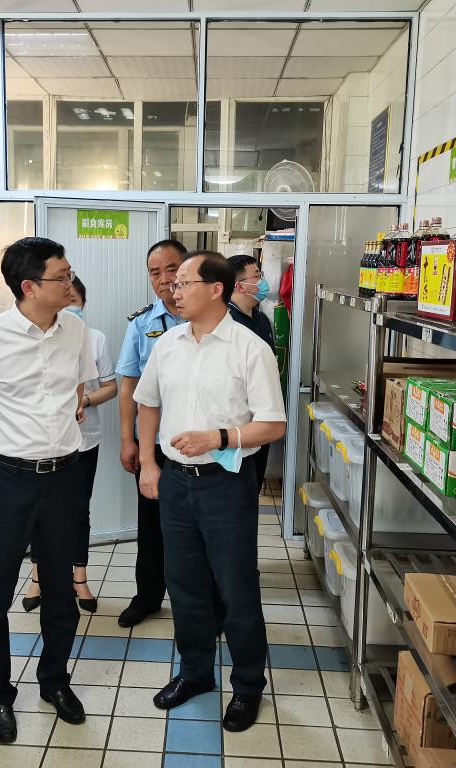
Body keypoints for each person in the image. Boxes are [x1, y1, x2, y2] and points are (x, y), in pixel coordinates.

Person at [134, 251, 286, 733]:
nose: (173, 290)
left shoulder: (250, 349)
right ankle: (196, 672)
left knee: (236, 588)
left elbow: (273, 424)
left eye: (183, 283)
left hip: (226, 484)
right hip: (176, 483)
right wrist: (148, 463)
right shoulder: (167, 345)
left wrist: (219, 437)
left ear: (216, 289)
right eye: (173, 284)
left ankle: (248, 686)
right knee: (184, 585)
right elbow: (147, 405)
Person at [0, 237, 97, 744]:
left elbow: (78, 389)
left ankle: (54, 681)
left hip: (63, 476)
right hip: (6, 479)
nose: (70, 283)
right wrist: (8, 448)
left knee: (59, 588)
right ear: (29, 286)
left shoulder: (76, 330)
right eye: (61, 276)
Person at [24, 276, 117, 614]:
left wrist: (85, 401)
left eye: (74, 299)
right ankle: (37, 576)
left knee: (78, 510)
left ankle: (79, 577)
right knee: (40, 509)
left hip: (84, 439)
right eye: (63, 297)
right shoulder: (35, 338)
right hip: (43, 441)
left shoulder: (95, 339)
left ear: (83, 303)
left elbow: (111, 386)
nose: (68, 304)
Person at [114, 238, 188, 628]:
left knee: (198, 528)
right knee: (152, 524)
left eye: (171, 269)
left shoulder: (211, 317)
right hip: (154, 445)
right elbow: (129, 386)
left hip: (201, 445)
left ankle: (201, 602)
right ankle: (147, 597)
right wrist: (129, 440)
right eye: (154, 272)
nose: (163, 279)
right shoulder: (142, 324)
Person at [227, 254, 276, 495]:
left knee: (252, 487)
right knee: (235, 492)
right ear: (240, 286)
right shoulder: (226, 323)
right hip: (235, 426)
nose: (263, 282)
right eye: (257, 276)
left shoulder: (261, 319)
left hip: (261, 422)